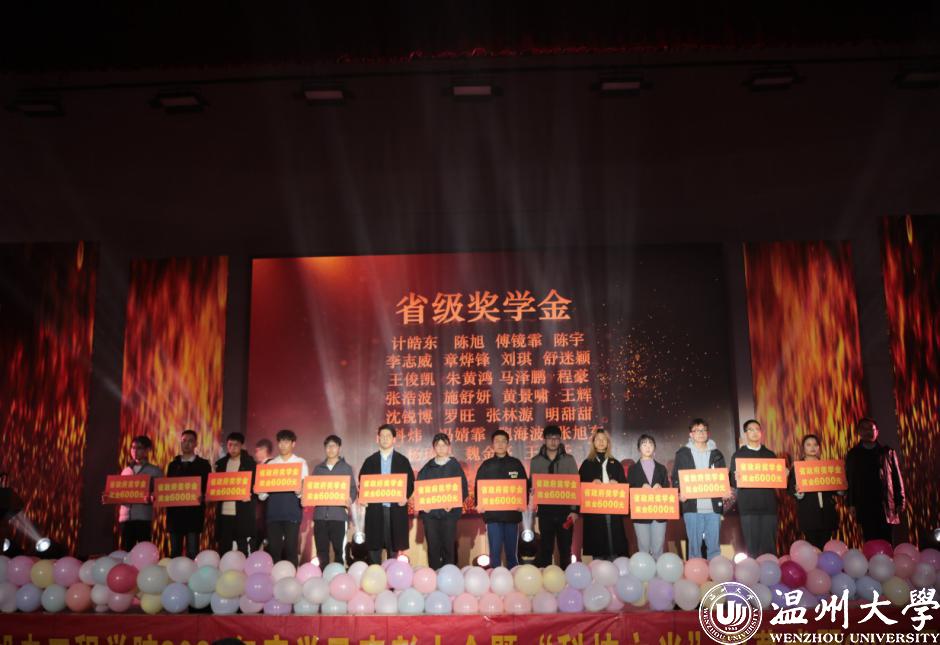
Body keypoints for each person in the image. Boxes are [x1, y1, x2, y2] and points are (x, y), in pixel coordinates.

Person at [673, 418, 729, 561]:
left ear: (708, 433)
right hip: (692, 507)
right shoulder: (682, 453)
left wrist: (725, 490)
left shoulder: (717, 454)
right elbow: (676, 477)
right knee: (694, 549)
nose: (701, 433)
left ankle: (715, 572)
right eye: (697, 430)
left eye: (704, 430)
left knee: (714, 548)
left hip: (713, 507)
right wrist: (679, 493)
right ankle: (695, 573)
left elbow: (723, 477)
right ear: (691, 434)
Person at [359, 424, 415, 563]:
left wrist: (405, 497)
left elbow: (410, 483)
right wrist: (363, 497)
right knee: (374, 549)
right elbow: (362, 482)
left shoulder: (402, 461)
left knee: (394, 548)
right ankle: (375, 573)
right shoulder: (369, 461)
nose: (385, 438)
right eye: (382, 436)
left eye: (388, 436)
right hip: (375, 510)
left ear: (394, 439)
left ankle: (392, 574)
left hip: (395, 509)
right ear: (377, 438)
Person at [845, 417, 906, 543]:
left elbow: (897, 477)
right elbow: (850, 479)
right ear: (859, 432)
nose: (867, 431)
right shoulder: (853, 454)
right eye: (864, 428)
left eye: (870, 428)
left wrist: (901, 500)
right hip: (864, 503)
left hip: (886, 503)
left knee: (887, 539)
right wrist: (850, 503)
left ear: (877, 431)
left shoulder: (887, 452)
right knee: (870, 539)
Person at [476, 429, 529, 568]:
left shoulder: (516, 464)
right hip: (493, 517)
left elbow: (524, 486)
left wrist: (524, 503)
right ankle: (495, 578)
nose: (500, 444)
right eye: (497, 441)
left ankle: (514, 577)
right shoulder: (486, 465)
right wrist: (479, 504)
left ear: (507, 444)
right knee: (494, 554)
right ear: (492, 445)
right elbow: (478, 487)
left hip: (512, 516)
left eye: (503, 441)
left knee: (512, 554)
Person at [416, 433, 469, 570]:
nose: (440, 448)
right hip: (431, 516)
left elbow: (463, 489)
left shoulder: (455, 466)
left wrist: (454, 503)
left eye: (443, 445)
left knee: (448, 546)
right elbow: (419, 490)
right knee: (433, 547)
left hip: (449, 515)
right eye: (438, 445)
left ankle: (449, 574)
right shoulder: (427, 468)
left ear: (448, 447)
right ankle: (434, 575)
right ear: (434, 447)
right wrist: (423, 505)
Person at [529, 425, 578, 569]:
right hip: (545, 512)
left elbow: (576, 486)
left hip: (565, 512)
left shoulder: (569, 460)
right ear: (544, 440)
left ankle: (567, 579)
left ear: (560, 440)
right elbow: (532, 485)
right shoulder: (536, 461)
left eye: (556, 438)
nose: (553, 441)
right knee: (546, 549)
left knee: (565, 549)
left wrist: (574, 510)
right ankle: (546, 578)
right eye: (550, 438)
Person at [729, 419, 780, 558]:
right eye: (751, 430)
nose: (755, 432)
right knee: (752, 548)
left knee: (769, 547)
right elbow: (733, 482)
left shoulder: (770, 455)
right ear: (745, 433)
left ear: (761, 432)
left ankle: (771, 571)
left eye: (757, 429)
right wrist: (736, 477)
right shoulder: (738, 455)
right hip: (748, 507)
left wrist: (784, 474)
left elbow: (778, 480)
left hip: (769, 506)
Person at [258, 429, 309, 564]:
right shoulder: (270, 464)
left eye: (286, 442)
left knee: (291, 550)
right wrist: (260, 490)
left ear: (293, 444)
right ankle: (275, 577)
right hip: (273, 514)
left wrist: (299, 491)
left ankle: (292, 576)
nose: (283, 445)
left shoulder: (300, 463)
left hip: (292, 514)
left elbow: (305, 493)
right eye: (280, 442)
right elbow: (262, 497)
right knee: (274, 551)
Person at [578, 428, 629, 560]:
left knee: (614, 545)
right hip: (595, 511)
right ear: (593, 443)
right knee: (598, 546)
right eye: (598, 439)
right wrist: (591, 483)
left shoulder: (615, 464)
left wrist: (617, 484)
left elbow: (625, 488)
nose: (601, 442)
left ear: (608, 443)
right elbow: (579, 487)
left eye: (604, 439)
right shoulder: (586, 464)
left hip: (613, 509)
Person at [787, 434, 841, 550]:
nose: (812, 447)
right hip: (809, 514)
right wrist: (798, 493)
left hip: (827, 513)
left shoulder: (826, 467)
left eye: (815, 445)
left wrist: (840, 490)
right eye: (809, 445)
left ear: (819, 447)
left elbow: (835, 488)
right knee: (813, 548)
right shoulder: (798, 468)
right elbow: (791, 489)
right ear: (803, 448)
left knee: (826, 546)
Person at [165, 429, 213, 558]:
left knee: (192, 552)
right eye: (184, 441)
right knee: (175, 552)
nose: (187, 444)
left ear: (196, 444)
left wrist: (205, 496)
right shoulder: (173, 465)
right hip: (175, 515)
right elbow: (167, 487)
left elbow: (208, 489)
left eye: (190, 441)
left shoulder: (203, 465)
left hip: (194, 514)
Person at [312, 434, 358, 567]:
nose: (330, 449)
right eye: (328, 446)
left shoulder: (346, 468)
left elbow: (353, 489)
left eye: (334, 446)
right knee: (321, 551)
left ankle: (339, 576)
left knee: (339, 552)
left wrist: (350, 499)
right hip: (320, 516)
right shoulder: (318, 469)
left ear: (339, 448)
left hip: (338, 516)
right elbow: (312, 489)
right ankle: (322, 575)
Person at [626, 434, 670, 559]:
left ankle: (658, 570)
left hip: (659, 513)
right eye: (644, 444)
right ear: (639, 448)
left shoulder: (661, 468)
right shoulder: (633, 469)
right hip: (641, 513)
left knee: (658, 548)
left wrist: (661, 488)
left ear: (654, 447)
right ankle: (645, 570)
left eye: (650, 444)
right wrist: (640, 488)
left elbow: (668, 490)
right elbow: (628, 490)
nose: (647, 447)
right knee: (643, 547)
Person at [116, 435, 163, 550]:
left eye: (139, 448)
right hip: (126, 517)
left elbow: (161, 493)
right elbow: (120, 492)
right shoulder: (126, 470)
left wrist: (153, 496)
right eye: (133, 447)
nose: (135, 451)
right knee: (126, 550)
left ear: (147, 450)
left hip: (143, 516)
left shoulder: (154, 471)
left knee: (144, 548)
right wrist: (111, 496)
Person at [214, 432, 257, 554]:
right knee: (224, 547)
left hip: (242, 512)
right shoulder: (220, 464)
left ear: (241, 446)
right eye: (230, 445)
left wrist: (251, 495)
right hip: (224, 513)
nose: (232, 448)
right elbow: (215, 486)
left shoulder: (250, 464)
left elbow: (256, 487)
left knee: (242, 546)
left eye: (236, 445)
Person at [253, 438, 273, 549]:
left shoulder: (272, 465)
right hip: (260, 509)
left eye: (257, 451)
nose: (255, 454)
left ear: (264, 450)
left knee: (267, 536)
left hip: (267, 507)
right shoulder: (259, 466)